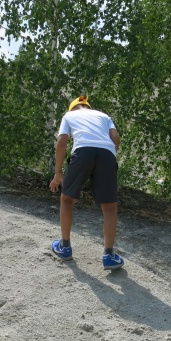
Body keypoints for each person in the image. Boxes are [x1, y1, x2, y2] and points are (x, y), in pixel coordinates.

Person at [49, 95, 124, 270]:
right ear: (88, 107)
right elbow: (115, 139)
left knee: (67, 199)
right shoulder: (104, 116)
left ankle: (65, 247)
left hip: (83, 152)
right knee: (110, 207)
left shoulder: (69, 116)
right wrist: (106, 157)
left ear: (72, 108)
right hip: (107, 153)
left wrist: (58, 173)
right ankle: (109, 256)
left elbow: (62, 141)